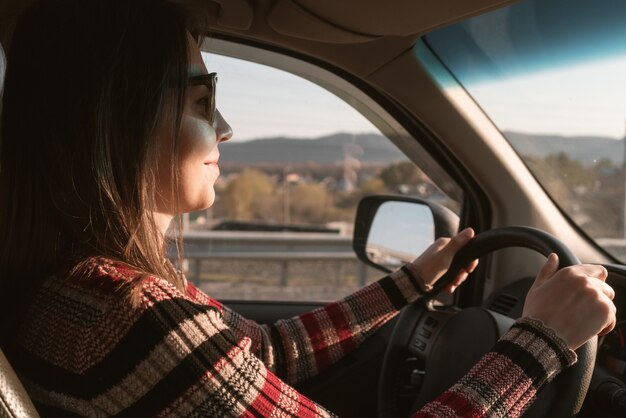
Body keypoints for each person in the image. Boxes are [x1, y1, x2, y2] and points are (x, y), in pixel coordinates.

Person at [0, 0, 616, 417]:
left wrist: (409, 285)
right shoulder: (131, 318)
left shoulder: (79, 291)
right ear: (117, 121)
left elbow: (260, 354)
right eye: (199, 101)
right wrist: (542, 341)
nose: (226, 128)